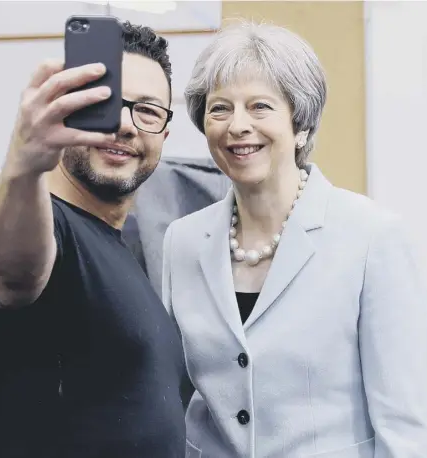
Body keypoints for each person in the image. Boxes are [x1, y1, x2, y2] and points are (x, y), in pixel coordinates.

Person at [162, 20, 427, 458]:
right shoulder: (182, 240)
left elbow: (405, 429)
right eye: (220, 108)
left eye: (260, 106)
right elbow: (173, 395)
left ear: (300, 124)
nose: (238, 126)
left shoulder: (372, 237)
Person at [0, 21, 186, 458]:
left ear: (164, 135)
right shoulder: (45, 227)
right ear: (65, 111)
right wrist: (25, 161)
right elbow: (13, 271)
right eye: (105, 105)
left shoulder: (120, 250)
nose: (126, 126)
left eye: (147, 111)